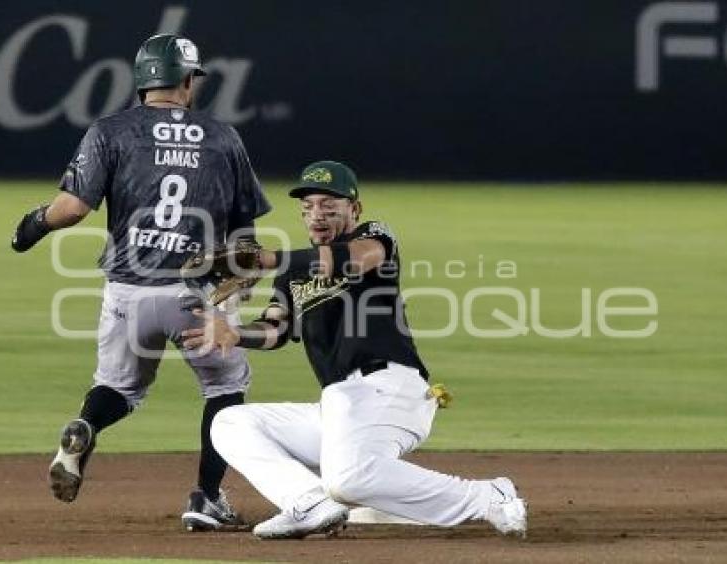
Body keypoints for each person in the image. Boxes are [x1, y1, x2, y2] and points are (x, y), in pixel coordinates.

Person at [181, 160, 528, 539]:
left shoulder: (375, 235)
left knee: (348, 480)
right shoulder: (292, 272)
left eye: (329, 206)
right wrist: (235, 334)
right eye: (308, 207)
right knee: (231, 423)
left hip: (389, 388)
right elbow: (277, 329)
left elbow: (357, 258)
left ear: (354, 209)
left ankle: (487, 495)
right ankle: (309, 502)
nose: (317, 215)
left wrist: (266, 258)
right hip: (340, 404)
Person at [9, 33, 270, 531]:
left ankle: (87, 426)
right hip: (196, 294)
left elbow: (72, 210)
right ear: (188, 80)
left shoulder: (111, 131)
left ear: (143, 80)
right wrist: (243, 279)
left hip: (128, 292)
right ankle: (207, 497)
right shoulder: (222, 136)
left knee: (117, 387)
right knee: (225, 390)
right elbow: (244, 238)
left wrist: (32, 225)